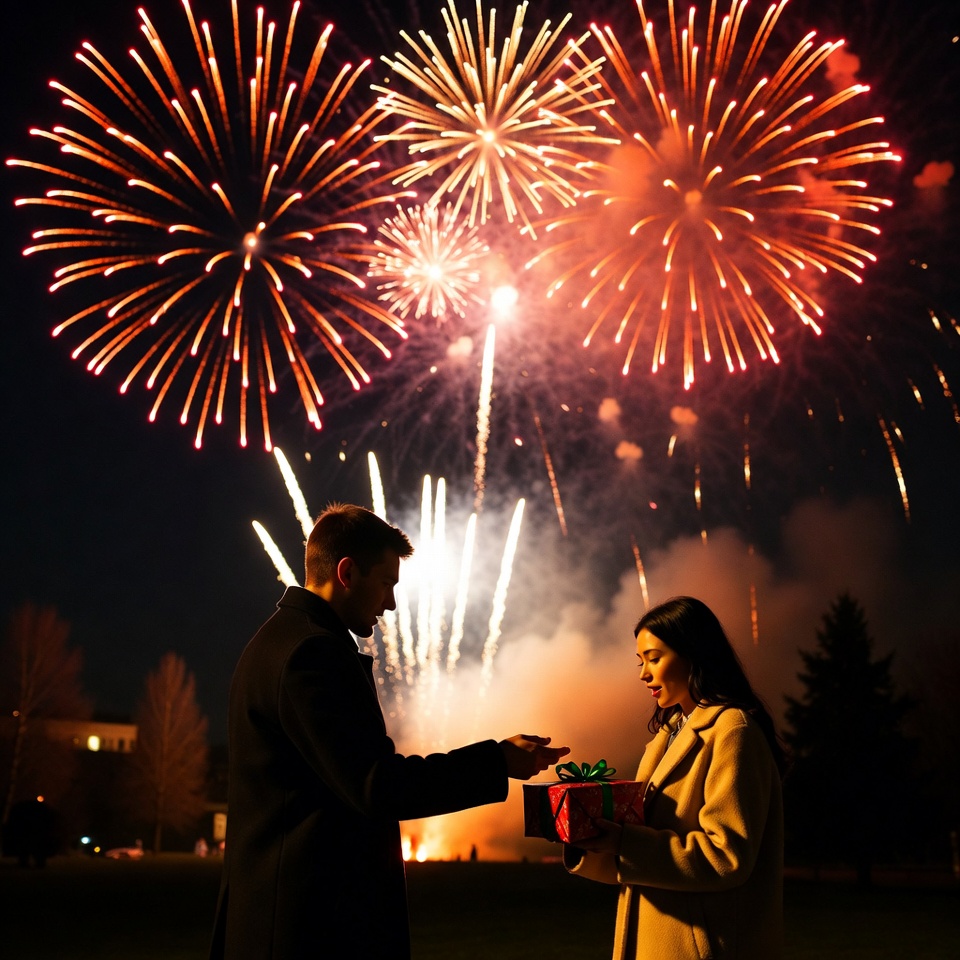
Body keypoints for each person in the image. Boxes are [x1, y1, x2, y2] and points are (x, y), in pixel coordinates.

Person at [209, 503, 568, 960]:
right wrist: (496, 761)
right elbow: (377, 786)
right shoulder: (311, 655)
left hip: (285, 921)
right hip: (309, 931)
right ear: (346, 573)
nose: (391, 603)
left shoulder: (280, 640)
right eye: (386, 583)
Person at [565, 596, 786, 960]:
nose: (643, 673)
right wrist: (590, 840)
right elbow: (638, 862)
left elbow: (726, 857)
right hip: (657, 943)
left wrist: (625, 843)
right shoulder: (666, 738)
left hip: (703, 947)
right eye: (640, 661)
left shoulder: (732, 731)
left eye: (654, 658)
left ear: (693, 653)